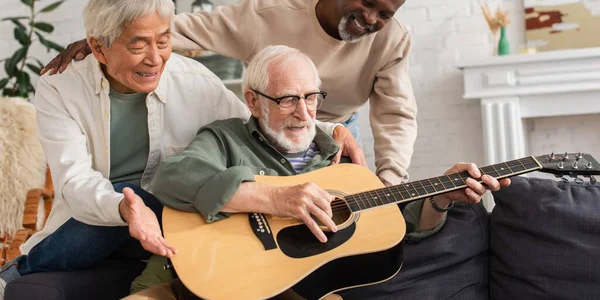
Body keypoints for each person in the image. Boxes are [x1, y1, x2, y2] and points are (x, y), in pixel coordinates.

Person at [0, 0, 362, 300]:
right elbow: (74, 181)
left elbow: (255, 117)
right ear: (97, 48)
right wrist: (124, 209)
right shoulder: (60, 87)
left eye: (163, 40)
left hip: (170, 220)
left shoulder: (193, 79)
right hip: (95, 224)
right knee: (129, 199)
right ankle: (14, 276)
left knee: (153, 200)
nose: (156, 58)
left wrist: (329, 129)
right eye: (139, 45)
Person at [124, 45, 510, 300]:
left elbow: (401, 224)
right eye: (289, 99)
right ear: (254, 102)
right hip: (186, 279)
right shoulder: (225, 138)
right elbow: (173, 176)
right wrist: (275, 199)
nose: (305, 113)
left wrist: (441, 198)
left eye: (311, 97)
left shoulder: (339, 164)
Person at [42, 0, 418, 186]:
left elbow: (396, 116)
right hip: (269, 125)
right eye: (365, 2)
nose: (369, 19)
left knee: (342, 215)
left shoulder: (393, 39)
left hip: (334, 131)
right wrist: (105, 41)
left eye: (384, 13)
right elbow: (189, 29)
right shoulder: (268, 12)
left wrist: (391, 182)